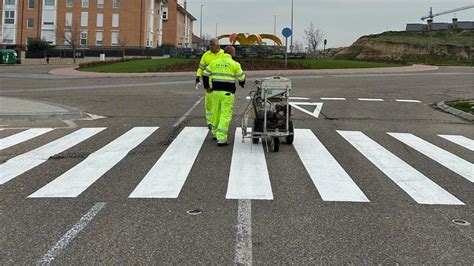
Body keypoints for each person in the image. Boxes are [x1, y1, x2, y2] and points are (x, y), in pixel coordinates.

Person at [202, 46, 245, 146]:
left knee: (215, 112)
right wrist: (242, 84)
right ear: (231, 53)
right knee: (225, 114)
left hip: (215, 92)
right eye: (234, 52)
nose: (235, 54)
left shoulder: (215, 62)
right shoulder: (234, 64)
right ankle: (221, 138)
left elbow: (205, 74)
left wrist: (207, 86)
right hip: (227, 93)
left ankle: (215, 133)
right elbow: (241, 77)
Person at [195, 38, 224, 129]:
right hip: (209, 83)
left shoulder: (224, 54)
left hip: (221, 83)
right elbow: (201, 68)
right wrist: (198, 76)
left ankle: (219, 121)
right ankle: (210, 122)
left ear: (218, 46)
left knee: (220, 104)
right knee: (209, 103)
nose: (210, 47)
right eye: (209, 45)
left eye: (212, 45)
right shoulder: (206, 55)